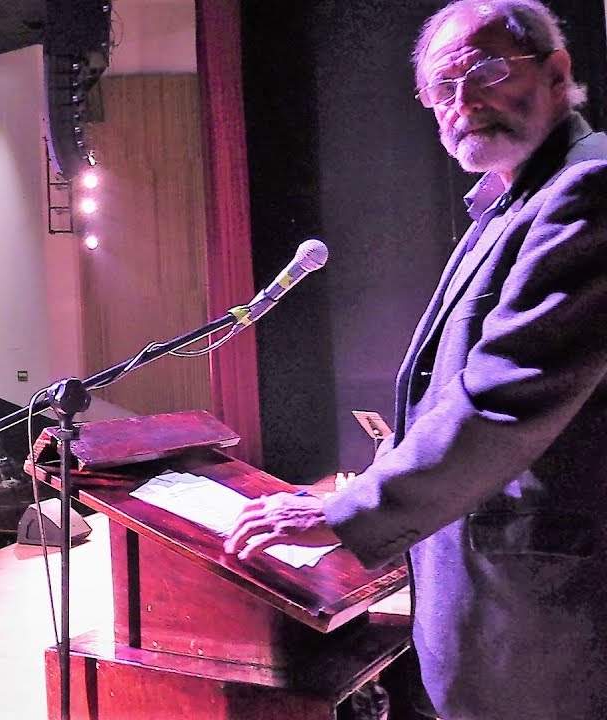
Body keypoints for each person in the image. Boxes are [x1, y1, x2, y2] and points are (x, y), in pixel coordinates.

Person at [223, 3, 607, 719]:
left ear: (557, 73)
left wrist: (349, 509)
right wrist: (351, 489)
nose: (465, 103)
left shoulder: (588, 189)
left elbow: (503, 397)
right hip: (497, 604)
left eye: (487, 72)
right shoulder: (507, 202)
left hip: (548, 620)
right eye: (443, 88)